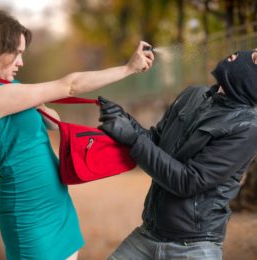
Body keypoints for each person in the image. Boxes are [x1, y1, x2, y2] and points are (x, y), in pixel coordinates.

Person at [0, 10, 154, 260]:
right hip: (28, 211)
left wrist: (42, 109)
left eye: (23, 53)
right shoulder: (0, 96)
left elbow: (52, 122)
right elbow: (70, 85)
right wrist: (127, 69)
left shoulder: (13, 88)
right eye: (15, 52)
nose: (21, 62)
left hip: (57, 203)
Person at [98, 49, 257, 260]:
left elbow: (188, 181)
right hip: (149, 233)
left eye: (254, 59)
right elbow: (156, 142)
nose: (240, 54)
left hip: (193, 247)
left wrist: (133, 138)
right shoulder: (193, 95)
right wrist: (125, 120)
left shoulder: (247, 127)